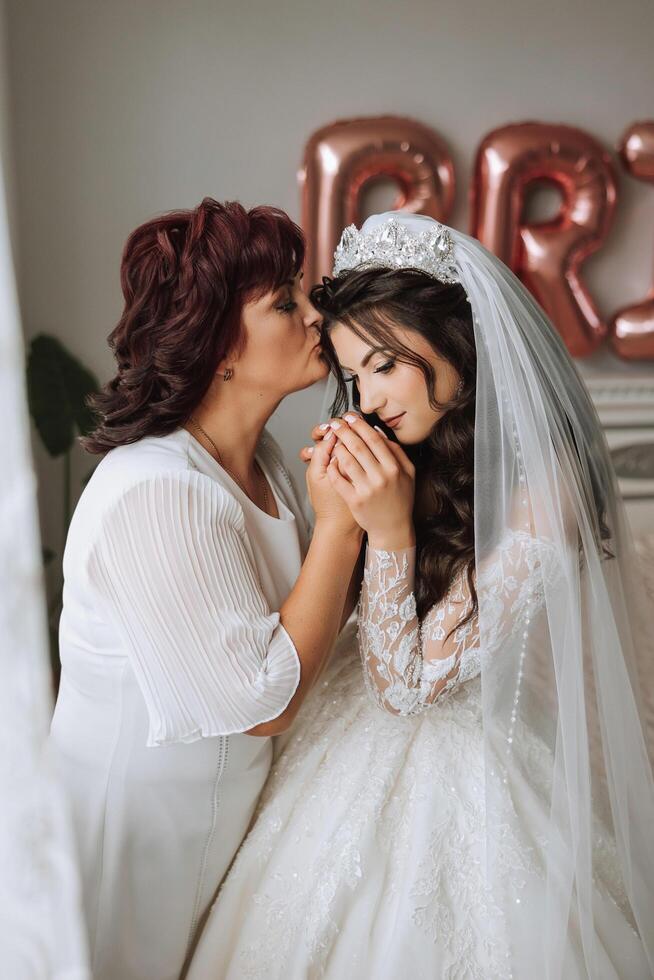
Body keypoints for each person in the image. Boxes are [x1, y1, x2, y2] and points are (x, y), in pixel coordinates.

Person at [187, 213, 654, 979]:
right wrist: (343, 517)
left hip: (452, 744)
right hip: (341, 736)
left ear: (458, 343)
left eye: (384, 365)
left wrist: (391, 530)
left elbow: (408, 688)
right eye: (354, 376)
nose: (367, 399)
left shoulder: (550, 487)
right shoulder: (411, 445)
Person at [49, 199, 363, 980]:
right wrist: (343, 528)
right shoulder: (155, 489)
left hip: (215, 836)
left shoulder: (271, 472)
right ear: (223, 345)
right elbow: (262, 700)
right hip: (130, 854)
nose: (313, 312)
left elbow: (319, 622)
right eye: (284, 302)